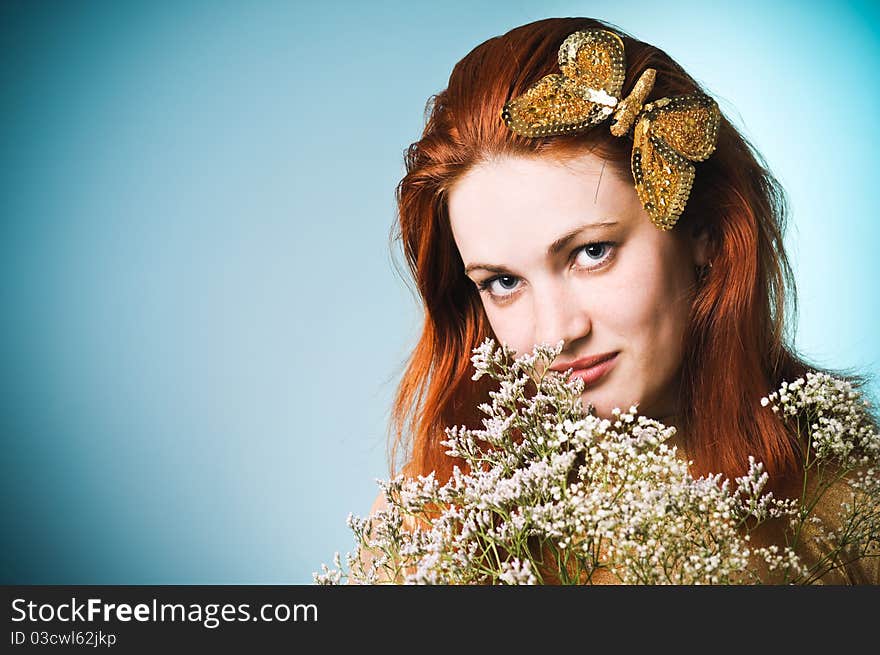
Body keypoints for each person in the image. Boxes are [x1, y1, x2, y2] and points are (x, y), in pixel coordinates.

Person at [364, 16, 879, 583]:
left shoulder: (852, 505)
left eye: (591, 253)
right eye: (503, 283)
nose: (555, 332)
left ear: (702, 230)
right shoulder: (434, 525)